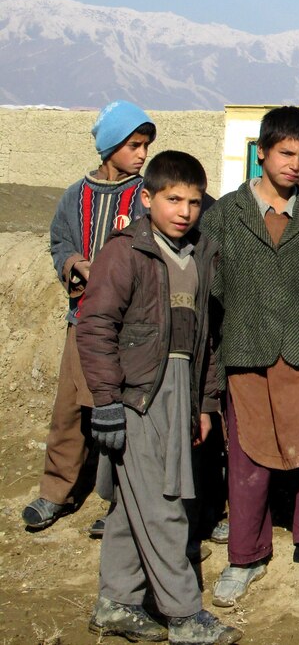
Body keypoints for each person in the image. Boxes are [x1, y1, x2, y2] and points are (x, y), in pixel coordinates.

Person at [76, 151, 241, 645]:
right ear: (147, 199)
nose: (184, 210)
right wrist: (106, 398)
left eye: (193, 201)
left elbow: (205, 337)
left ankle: (117, 602)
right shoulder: (124, 252)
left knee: (134, 503)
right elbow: (96, 324)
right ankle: (184, 614)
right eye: (173, 199)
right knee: (165, 503)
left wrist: (206, 403)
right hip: (136, 394)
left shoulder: (200, 254)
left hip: (180, 390)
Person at [199, 106, 299, 605]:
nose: (294, 164)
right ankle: (245, 557)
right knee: (248, 463)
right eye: (285, 153)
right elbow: (210, 296)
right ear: (263, 152)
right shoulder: (223, 215)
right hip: (246, 355)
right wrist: (210, 371)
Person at [23, 100, 157, 535]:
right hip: (83, 321)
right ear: (109, 146)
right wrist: (75, 264)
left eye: (146, 145)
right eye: (134, 145)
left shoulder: (146, 195)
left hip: (131, 326)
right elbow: (59, 242)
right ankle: (55, 491)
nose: (141, 154)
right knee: (69, 412)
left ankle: (119, 503)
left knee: (126, 414)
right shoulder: (73, 196)